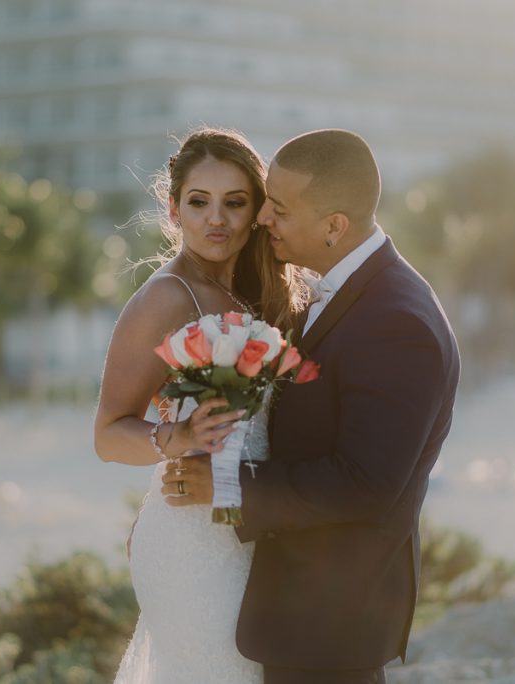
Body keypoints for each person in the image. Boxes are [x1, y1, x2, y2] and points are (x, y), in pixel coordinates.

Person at [166, 129, 461, 683]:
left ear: (334, 226)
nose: (262, 219)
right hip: (303, 614)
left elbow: (366, 484)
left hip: (332, 623)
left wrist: (227, 486)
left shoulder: (396, 322)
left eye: (278, 209)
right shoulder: (345, 293)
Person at [95, 127, 308, 683]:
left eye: (234, 202)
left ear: (257, 211)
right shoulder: (165, 298)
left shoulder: (257, 294)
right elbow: (108, 434)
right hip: (190, 544)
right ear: (174, 210)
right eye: (198, 202)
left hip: (251, 532)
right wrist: (178, 439)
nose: (217, 219)